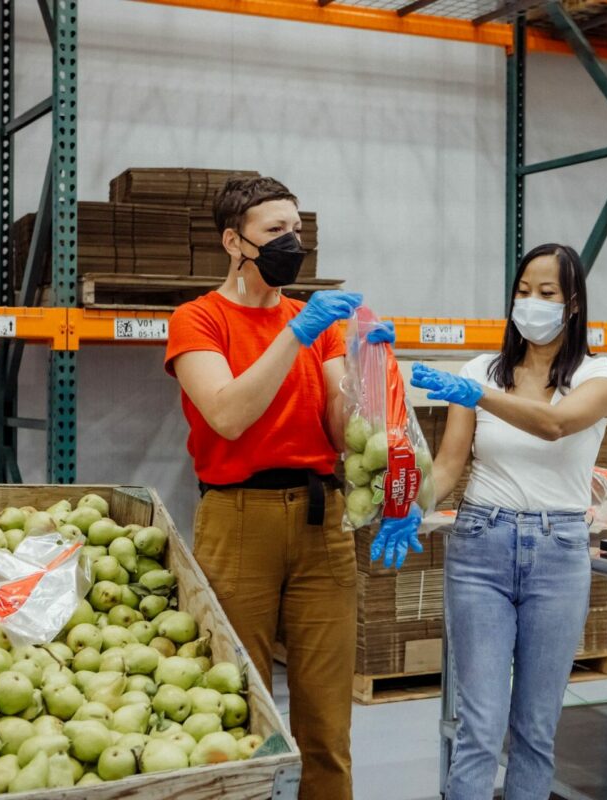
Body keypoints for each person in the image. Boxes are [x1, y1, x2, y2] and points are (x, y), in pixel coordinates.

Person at [163, 175, 413, 800]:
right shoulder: (198, 320)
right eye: (275, 231)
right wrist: (292, 337)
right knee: (236, 706)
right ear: (233, 241)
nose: (291, 243)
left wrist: (367, 368)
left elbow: (340, 424)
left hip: (321, 519)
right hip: (237, 519)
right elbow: (226, 413)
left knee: (327, 724)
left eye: (296, 230)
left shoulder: (318, 321)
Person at [411, 243, 607, 800]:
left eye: (546, 293)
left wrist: (476, 394)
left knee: (534, 729)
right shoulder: (480, 370)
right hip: (481, 545)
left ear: (572, 303)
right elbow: (451, 462)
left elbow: (554, 425)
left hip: (559, 553)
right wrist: (409, 507)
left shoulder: (601, 378)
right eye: (522, 291)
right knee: (479, 725)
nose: (531, 303)